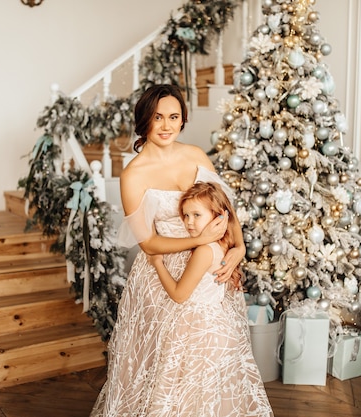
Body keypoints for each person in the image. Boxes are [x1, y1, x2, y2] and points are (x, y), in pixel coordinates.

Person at [90, 84, 247, 416]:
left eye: (174, 117)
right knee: (166, 364)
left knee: (209, 358)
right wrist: (200, 241)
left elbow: (224, 208)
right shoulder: (133, 174)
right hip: (162, 273)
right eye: (158, 117)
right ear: (144, 119)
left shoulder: (195, 156)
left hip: (209, 269)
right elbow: (148, 243)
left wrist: (239, 247)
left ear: (182, 119)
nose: (166, 126)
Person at [147, 182, 273, 415]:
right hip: (220, 328)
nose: (189, 222)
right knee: (214, 394)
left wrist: (157, 264)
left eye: (197, 215)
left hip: (199, 332)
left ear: (218, 217)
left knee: (193, 393)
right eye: (185, 215)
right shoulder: (222, 246)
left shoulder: (204, 251)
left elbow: (179, 295)